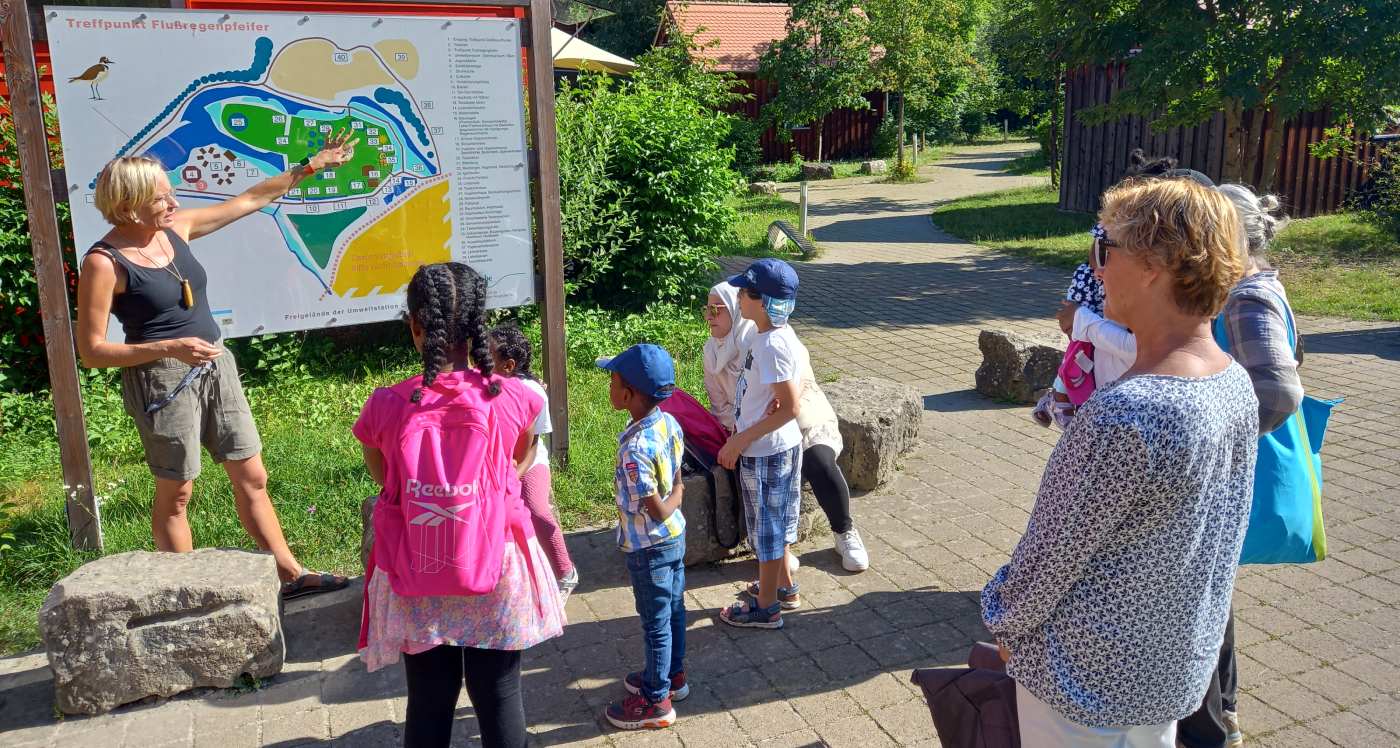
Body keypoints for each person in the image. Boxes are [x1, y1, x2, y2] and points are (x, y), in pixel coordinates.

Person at [981, 178, 1259, 747]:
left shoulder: (1128, 414)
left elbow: (1047, 560)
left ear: (1155, 263)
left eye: (1105, 248)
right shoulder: (1233, 383)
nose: (1096, 267)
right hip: (1168, 671)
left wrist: (1002, 622)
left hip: (1085, 684)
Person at [76, 140, 360, 598]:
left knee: (253, 475)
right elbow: (91, 351)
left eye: (171, 193)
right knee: (178, 492)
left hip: (215, 365)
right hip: (162, 380)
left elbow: (249, 200)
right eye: (161, 197)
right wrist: (168, 346)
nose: (174, 203)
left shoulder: (177, 229)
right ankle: (185, 596)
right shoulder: (103, 262)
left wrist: (309, 167)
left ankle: (290, 574)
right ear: (127, 206)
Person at [355, 263, 564, 748]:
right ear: (477, 329)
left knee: (428, 698)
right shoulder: (515, 398)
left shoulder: (385, 404)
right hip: (496, 563)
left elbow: (384, 477)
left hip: (416, 566)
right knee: (499, 691)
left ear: (415, 325)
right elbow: (519, 459)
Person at [1177, 184, 1303, 748]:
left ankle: (1206, 727)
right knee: (1211, 595)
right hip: (1220, 473)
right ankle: (1220, 717)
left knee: (1198, 599)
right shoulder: (1243, 288)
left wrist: (1208, 435)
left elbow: (1276, 391)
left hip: (1223, 474)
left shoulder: (1248, 298)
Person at [703, 279, 869, 573]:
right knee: (749, 471)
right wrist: (741, 434)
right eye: (707, 309)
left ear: (735, 310)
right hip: (752, 428)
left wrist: (778, 402)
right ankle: (775, 556)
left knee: (819, 460)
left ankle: (844, 531)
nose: (709, 316)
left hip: (798, 414)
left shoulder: (764, 335)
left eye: (717, 309)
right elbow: (722, 407)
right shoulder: (712, 352)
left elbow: (800, 374)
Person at [596, 344, 688, 730]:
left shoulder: (634, 450)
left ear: (630, 395)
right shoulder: (668, 423)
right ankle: (673, 676)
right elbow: (677, 484)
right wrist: (678, 494)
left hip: (649, 547)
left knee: (655, 622)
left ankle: (656, 700)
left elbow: (656, 509)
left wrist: (672, 500)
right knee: (675, 610)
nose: (609, 387)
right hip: (674, 537)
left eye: (613, 381)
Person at [717, 259, 806, 629]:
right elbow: (792, 386)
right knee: (777, 523)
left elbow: (791, 408)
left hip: (765, 451)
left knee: (767, 530)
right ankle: (783, 587)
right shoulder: (772, 335)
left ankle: (766, 607)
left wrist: (739, 440)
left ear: (764, 301)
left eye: (744, 291)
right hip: (774, 447)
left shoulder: (771, 343)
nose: (737, 295)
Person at [488, 325, 578, 602]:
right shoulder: (487, 385)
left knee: (537, 509)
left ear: (508, 365)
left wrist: (515, 473)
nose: (477, 360)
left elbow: (534, 444)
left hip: (528, 460)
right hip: (498, 460)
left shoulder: (532, 393)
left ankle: (565, 572)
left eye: (486, 357)